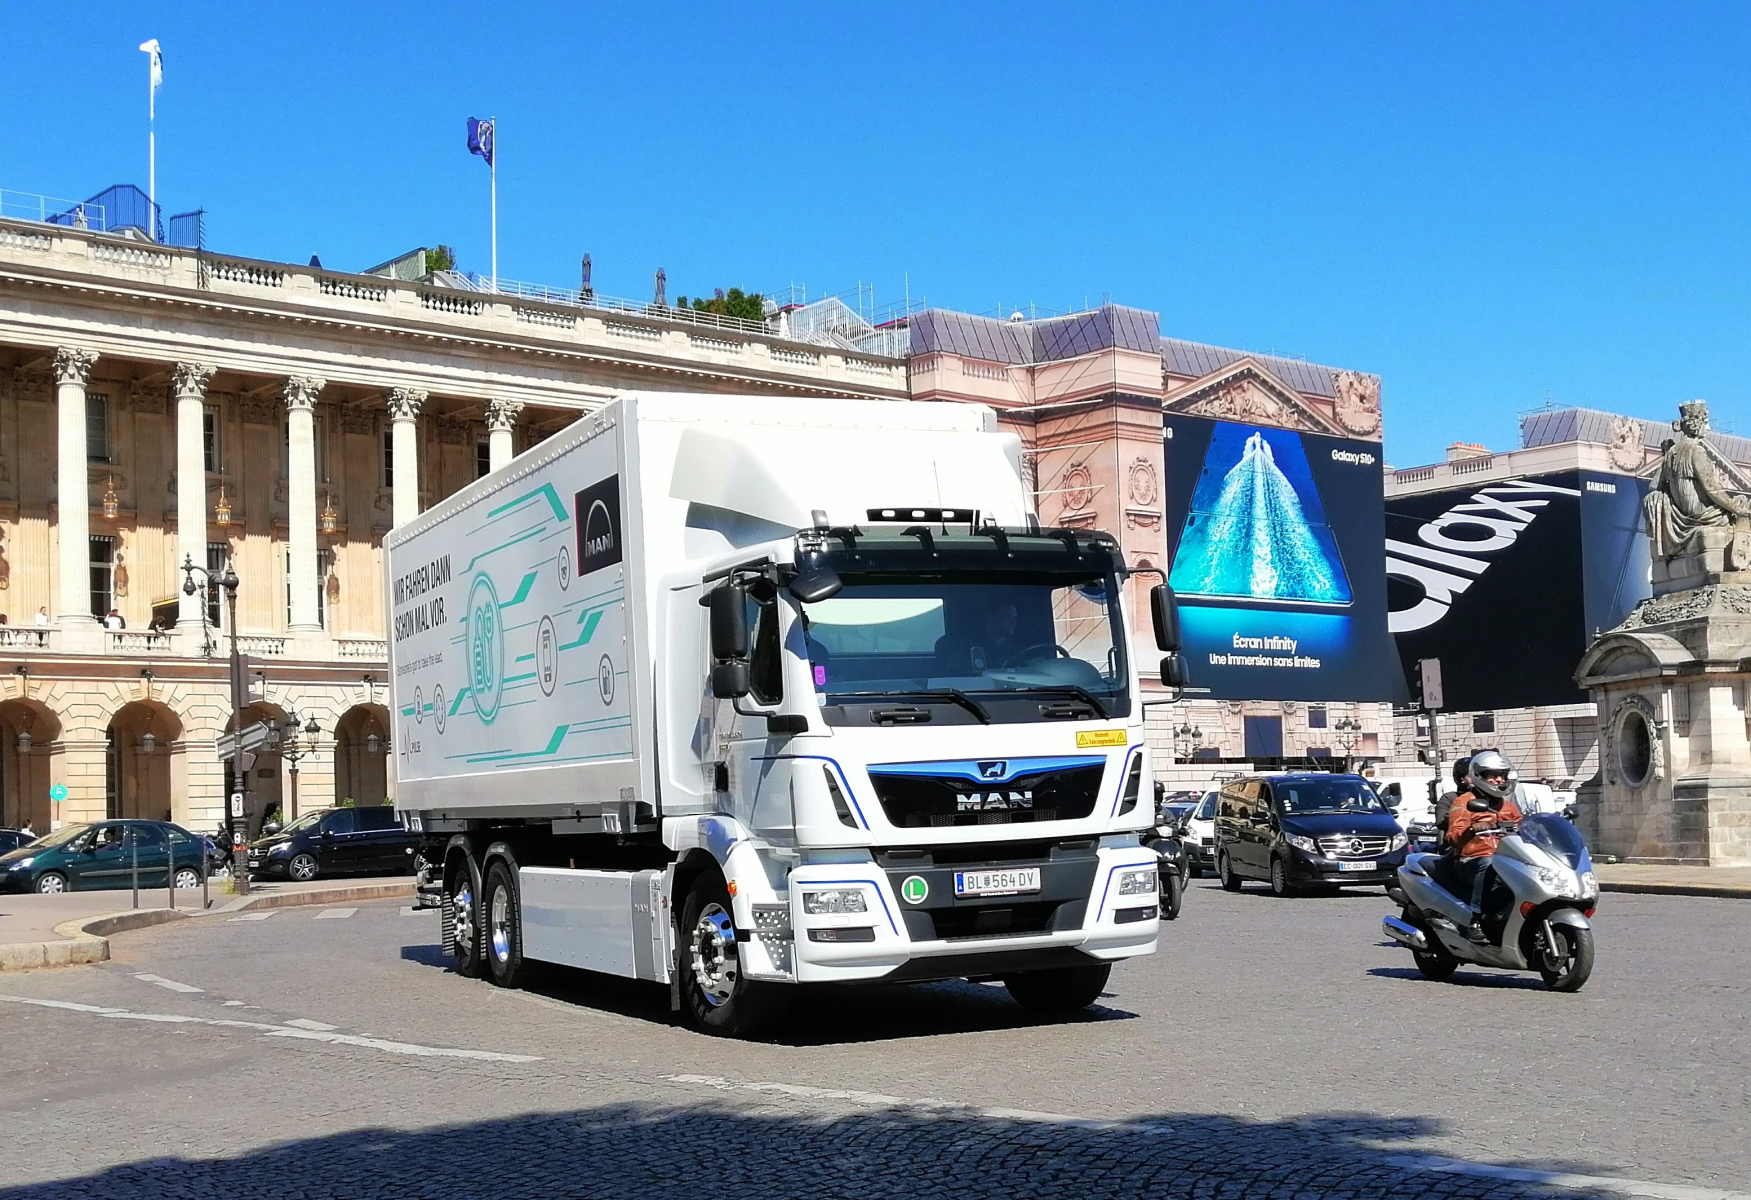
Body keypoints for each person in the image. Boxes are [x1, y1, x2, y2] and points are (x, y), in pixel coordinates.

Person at [1446, 749, 1523, 943]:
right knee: (1488, 864)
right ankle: (1475, 920)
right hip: (1471, 860)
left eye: (1502, 776)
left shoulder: (1508, 806)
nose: (1499, 780)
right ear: (1479, 776)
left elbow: (1524, 826)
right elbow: (1452, 836)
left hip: (1506, 859)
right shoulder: (1464, 802)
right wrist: (1471, 829)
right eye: (1493, 776)